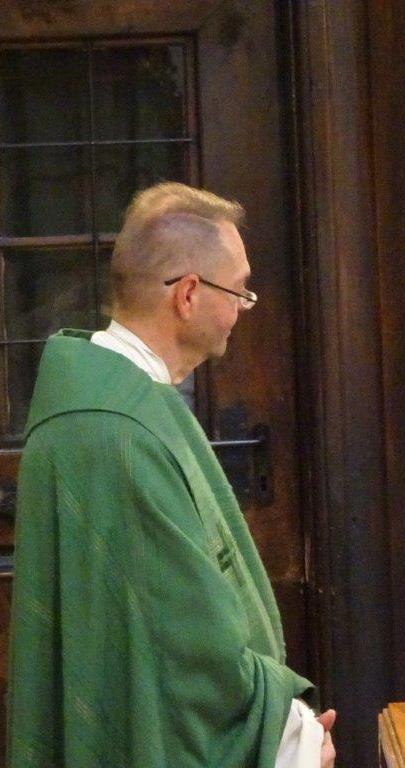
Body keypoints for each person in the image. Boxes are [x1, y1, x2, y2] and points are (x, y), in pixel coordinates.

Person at [7, 182, 336, 767]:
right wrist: (289, 735)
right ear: (188, 294)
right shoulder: (114, 430)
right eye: (238, 292)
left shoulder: (121, 402)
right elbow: (186, 652)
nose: (242, 309)